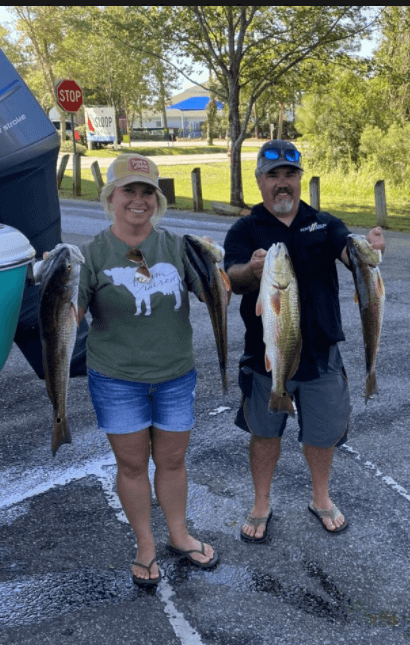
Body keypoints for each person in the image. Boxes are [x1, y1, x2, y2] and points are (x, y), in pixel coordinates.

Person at [223, 140, 385, 543]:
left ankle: (321, 497)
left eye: (289, 175)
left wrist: (370, 250)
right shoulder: (245, 228)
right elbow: (233, 277)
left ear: (300, 180)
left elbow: (354, 259)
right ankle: (262, 502)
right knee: (265, 432)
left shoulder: (325, 223)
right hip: (268, 354)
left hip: (322, 354)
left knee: (322, 433)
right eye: (273, 175)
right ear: (260, 181)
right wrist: (252, 270)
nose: (282, 184)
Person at [76, 152, 218, 586]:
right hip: (116, 380)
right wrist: (50, 276)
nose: (138, 200)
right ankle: (146, 545)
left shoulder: (177, 247)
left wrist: (248, 272)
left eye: (147, 192)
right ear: (111, 197)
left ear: (156, 199)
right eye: (128, 191)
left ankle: (178, 534)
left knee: (172, 462)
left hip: (175, 375)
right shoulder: (90, 255)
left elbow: (214, 290)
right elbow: (69, 314)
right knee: (133, 465)